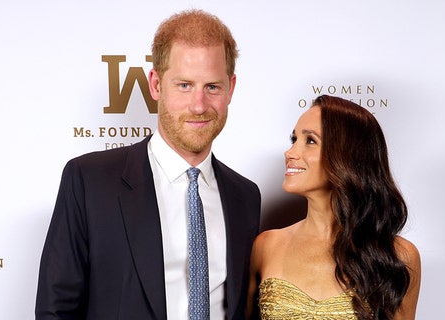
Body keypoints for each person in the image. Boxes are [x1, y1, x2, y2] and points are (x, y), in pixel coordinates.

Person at [35, 9, 261, 320]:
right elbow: (56, 310)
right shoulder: (90, 181)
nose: (199, 105)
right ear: (155, 84)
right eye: (184, 85)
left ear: (230, 89)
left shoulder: (245, 196)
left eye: (212, 87)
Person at [246, 95, 421, 320]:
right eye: (293, 139)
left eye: (310, 141)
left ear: (348, 155)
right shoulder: (265, 246)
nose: (290, 153)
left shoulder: (400, 256)